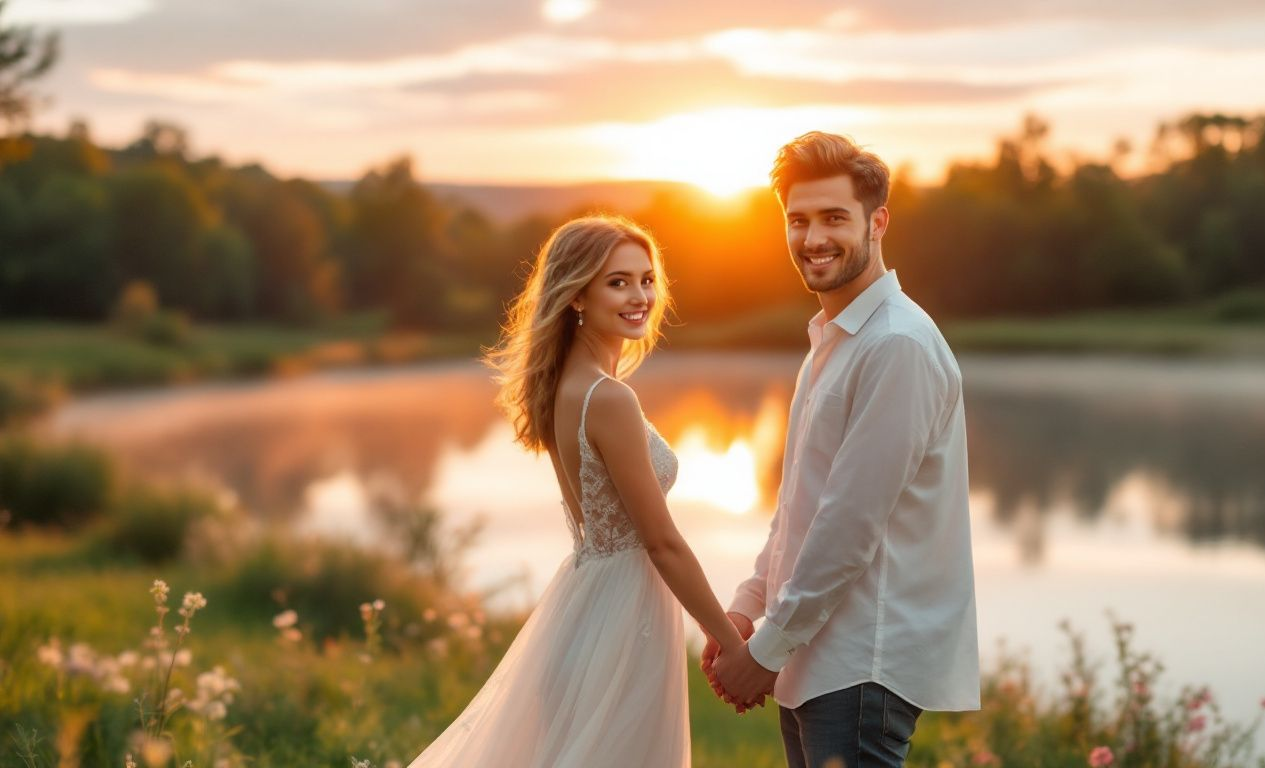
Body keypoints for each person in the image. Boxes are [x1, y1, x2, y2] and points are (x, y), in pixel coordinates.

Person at [407, 215, 745, 767]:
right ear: (576, 296)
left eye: (646, 278)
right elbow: (662, 543)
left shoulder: (564, 383)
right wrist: (732, 644)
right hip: (621, 617)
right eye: (617, 282)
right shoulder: (608, 398)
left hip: (592, 603)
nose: (639, 296)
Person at [704, 132, 981, 768]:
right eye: (797, 221)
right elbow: (802, 504)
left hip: (862, 662)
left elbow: (850, 525)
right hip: (816, 655)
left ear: (878, 222)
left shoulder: (896, 346)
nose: (813, 238)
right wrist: (748, 609)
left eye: (834, 218)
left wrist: (766, 651)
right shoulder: (833, 338)